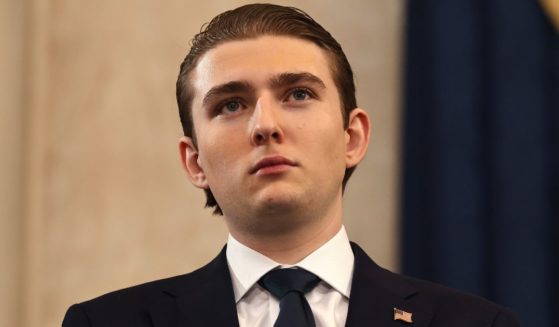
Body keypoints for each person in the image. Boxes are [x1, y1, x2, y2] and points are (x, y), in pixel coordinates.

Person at [63, 4, 521, 326]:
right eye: (231, 104)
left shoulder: (476, 323)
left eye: (298, 94)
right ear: (194, 161)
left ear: (353, 137)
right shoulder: (106, 322)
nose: (265, 125)